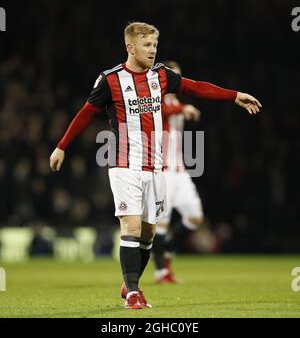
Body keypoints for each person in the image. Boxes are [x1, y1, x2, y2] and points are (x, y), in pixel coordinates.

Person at [49, 21, 262, 310]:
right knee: (132, 226)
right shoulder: (110, 80)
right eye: (147, 45)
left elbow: (196, 87)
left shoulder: (161, 75)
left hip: (155, 167)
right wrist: (62, 145)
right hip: (124, 164)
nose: (152, 50)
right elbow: (86, 113)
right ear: (130, 47)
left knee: (149, 233)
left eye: (155, 45)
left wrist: (234, 95)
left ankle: (130, 282)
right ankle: (135, 292)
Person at [152, 61, 205, 283]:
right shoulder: (153, 99)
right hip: (162, 172)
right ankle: (161, 272)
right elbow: (161, 112)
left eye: (179, 77)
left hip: (180, 172)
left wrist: (188, 113)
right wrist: (183, 109)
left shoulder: (176, 101)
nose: (177, 81)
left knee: (194, 216)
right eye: (173, 77)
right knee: (161, 224)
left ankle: (166, 251)